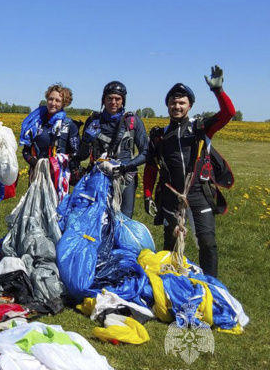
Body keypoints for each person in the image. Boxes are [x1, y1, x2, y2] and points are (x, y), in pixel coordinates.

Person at [143, 66, 235, 277]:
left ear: (190, 106)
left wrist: (218, 90)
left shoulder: (201, 128)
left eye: (182, 102)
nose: (177, 106)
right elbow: (150, 168)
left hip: (199, 194)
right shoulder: (159, 135)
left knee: (207, 241)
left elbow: (228, 113)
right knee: (171, 240)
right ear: (167, 105)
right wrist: (148, 195)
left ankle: (211, 286)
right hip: (170, 195)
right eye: (173, 102)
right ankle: (168, 281)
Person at [75, 81, 148, 218]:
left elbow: (145, 152)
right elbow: (82, 155)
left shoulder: (133, 121)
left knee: (123, 219)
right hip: (98, 176)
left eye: (117, 99)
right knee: (95, 219)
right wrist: (86, 140)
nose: (113, 102)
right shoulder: (93, 121)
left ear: (123, 101)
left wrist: (126, 166)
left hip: (125, 178)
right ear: (103, 100)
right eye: (109, 98)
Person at [20, 84, 80, 198]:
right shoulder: (35, 123)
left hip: (58, 178)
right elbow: (26, 151)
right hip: (37, 175)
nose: (53, 103)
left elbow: (76, 154)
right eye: (50, 99)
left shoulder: (69, 125)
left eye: (57, 100)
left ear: (64, 103)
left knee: (55, 213)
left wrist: (57, 163)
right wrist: (35, 163)